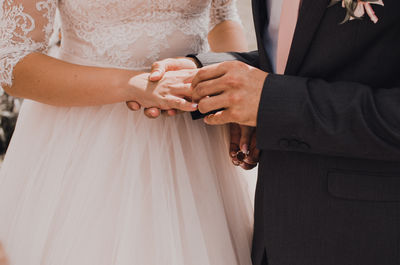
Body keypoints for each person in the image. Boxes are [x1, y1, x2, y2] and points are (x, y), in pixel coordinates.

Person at [133, 0, 400, 264]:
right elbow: (294, 57)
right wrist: (213, 75)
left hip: (368, 234)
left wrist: (271, 101)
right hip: (272, 229)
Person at [0, 1, 254, 264]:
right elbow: (14, 63)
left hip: (198, 134)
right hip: (89, 138)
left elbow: (222, 17)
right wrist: (131, 85)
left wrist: (233, 94)